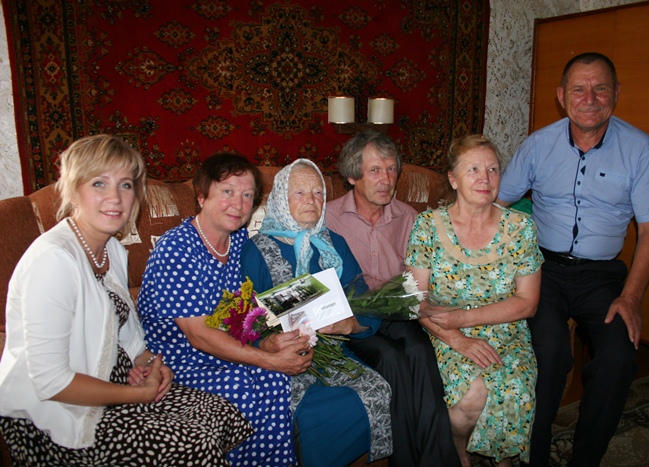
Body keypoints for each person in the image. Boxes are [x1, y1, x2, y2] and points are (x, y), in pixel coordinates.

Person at [0, 135, 252, 466]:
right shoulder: (54, 259)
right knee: (196, 443)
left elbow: (131, 340)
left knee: (220, 412)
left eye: (126, 185)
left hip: (118, 387)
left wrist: (153, 366)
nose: (115, 198)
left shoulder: (113, 251)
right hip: (61, 415)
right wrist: (135, 394)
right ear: (73, 191)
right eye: (99, 183)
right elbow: (50, 382)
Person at [496, 52, 649, 467]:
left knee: (619, 357)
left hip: (602, 276)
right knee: (549, 351)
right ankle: (534, 456)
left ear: (616, 94)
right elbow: (497, 206)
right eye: (579, 89)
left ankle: (586, 458)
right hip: (541, 270)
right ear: (562, 96)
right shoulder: (537, 146)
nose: (589, 98)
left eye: (600, 88)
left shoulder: (642, 150)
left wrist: (631, 297)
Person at [138, 153, 305, 467]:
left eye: (247, 195)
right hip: (177, 356)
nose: (239, 204)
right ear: (202, 196)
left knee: (274, 381)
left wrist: (275, 336)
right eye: (227, 191)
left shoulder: (238, 239)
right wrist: (270, 359)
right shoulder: (177, 248)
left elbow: (252, 300)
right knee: (240, 386)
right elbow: (199, 335)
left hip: (221, 346)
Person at [240, 158, 393, 467]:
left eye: (318, 192)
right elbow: (242, 321)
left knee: (378, 390)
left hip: (334, 355)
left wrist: (353, 324)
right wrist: (265, 343)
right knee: (311, 413)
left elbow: (363, 299)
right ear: (281, 199)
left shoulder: (334, 244)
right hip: (279, 363)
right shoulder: (255, 250)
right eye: (299, 193)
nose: (311, 200)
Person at [405, 134, 543, 467]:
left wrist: (465, 319)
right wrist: (457, 338)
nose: (485, 178)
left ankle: (502, 457)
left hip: (507, 331)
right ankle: (460, 450)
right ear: (453, 179)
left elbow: (528, 303)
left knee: (515, 390)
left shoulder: (520, 227)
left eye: (493, 169)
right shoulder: (427, 226)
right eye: (474, 169)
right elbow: (414, 300)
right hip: (444, 332)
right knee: (471, 396)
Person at [326, 130, 461, 466]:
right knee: (391, 357)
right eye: (375, 170)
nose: (386, 179)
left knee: (420, 349)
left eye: (391, 169)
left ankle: (436, 460)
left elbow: (421, 281)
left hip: (399, 313)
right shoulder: (328, 218)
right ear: (352, 176)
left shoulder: (409, 217)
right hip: (353, 320)